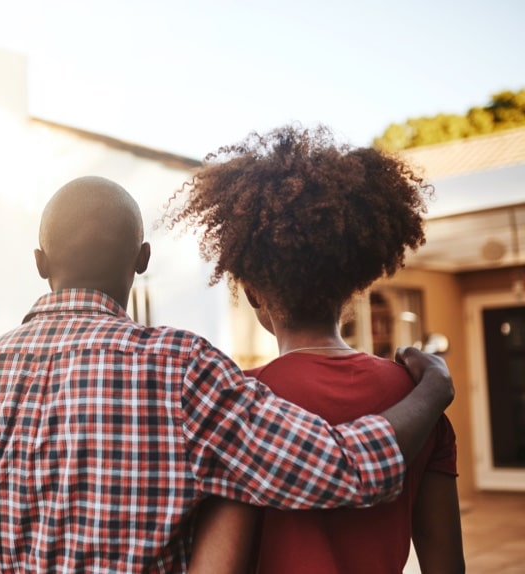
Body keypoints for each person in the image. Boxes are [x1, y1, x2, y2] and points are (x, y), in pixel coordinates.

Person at [0, 175, 454, 573]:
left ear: (41, 263)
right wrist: (433, 387)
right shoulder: (182, 371)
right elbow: (346, 469)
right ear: (142, 259)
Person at [176, 126, 465, 573]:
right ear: (354, 286)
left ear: (253, 293)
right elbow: (446, 566)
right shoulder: (419, 401)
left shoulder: (239, 405)